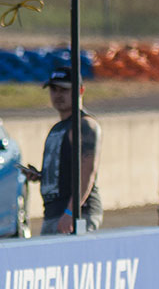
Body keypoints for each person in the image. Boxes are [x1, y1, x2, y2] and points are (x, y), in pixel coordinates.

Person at [20, 66, 103, 234]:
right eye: (54, 89)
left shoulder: (84, 125)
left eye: (64, 90)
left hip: (76, 214)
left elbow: (87, 172)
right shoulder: (58, 128)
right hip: (53, 213)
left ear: (80, 90)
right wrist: (41, 176)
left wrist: (71, 212)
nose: (58, 95)